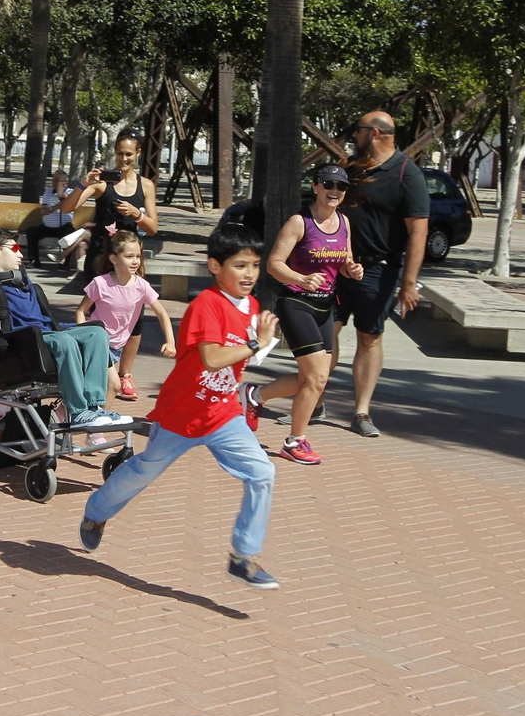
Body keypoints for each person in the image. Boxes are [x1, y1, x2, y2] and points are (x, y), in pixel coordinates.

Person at [77, 223, 282, 590]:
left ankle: (242, 557)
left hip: (222, 414)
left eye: (254, 265)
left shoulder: (251, 305)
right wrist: (256, 345)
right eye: (240, 265)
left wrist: (262, 344)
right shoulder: (207, 305)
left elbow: (242, 356)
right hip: (180, 414)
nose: (249, 273)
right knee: (142, 471)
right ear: (215, 267)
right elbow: (213, 357)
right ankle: (96, 513)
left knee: (262, 474)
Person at [240, 165, 364, 466]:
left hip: (325, 306)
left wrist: (352, 269)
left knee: (316, 381)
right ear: (316, 186)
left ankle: (256, 394)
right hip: (296, 304)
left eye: (341, 187)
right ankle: (294, 441)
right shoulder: (300, 222)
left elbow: (344, 260)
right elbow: (273, 264)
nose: (334, 191)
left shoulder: (344, 222)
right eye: (329, 184)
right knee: (317, 376)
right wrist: (301, 277)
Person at [0, 229, 126, 428]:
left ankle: (93, 408)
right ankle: (77, 412)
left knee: (96, 333)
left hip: (46, 334)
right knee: (64, 341)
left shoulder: (24, 283)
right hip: (21, 343)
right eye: (15, 248)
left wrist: (83, 327)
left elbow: (48, 322)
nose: (20, 254)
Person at [331, 111, 429, 438]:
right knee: (325, 331)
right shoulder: (350, 167)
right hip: (335, 265)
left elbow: (418, 232)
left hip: (379, 270)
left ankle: (361, 412)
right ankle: (313, 396)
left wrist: (408, 284)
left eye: (357, 131)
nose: (353, 137)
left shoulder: (406, 174)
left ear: (373, 133)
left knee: (369, 337)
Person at [61, 130, 162, 386]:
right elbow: (67, 208)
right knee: (96, 312)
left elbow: (153, 228)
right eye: (119, 154)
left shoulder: (146, 185)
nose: (123, 159)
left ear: (137, 154)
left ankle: (124, 374)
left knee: (135, 317)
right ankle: (97, 368)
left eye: (129, 154)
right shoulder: (101, 183)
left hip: (130, 259)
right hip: (100, 258)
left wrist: (136, 215)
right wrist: (84, 183)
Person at [75, 232, 176, 405]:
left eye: (138, 256)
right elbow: (80, 311)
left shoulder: (141, 286)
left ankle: (74, 416)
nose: (135, 261)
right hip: (97, 342)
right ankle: (98, 425)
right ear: (114, 258)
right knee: (113, 385)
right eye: (129, 256)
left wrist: (170, 341)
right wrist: (83, 334)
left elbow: (162, 313)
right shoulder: (100, 283)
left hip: (116, 347)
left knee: (90, 387)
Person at [26, 169, 85, 269]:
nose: (54, 181)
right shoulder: (48, 192)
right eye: (54, 179)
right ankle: (34, 260)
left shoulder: (71, 192)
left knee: (70, 234)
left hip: (63, 226)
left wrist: (59, 194)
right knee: (31, 232)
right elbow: (43, 211)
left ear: (65, 181)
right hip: (47, 227)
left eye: (57, 179)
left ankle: (65, 263)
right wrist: (56, 207)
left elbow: (63, 198)